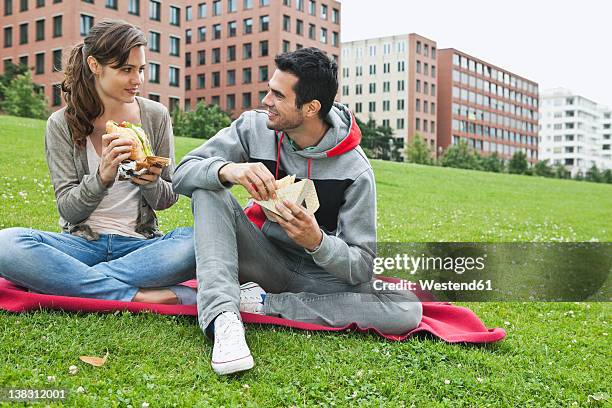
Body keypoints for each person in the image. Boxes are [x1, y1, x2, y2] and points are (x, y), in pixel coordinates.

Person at [173, 47, 422, 375]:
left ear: (311, 108)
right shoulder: (253, 127)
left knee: (406, 307)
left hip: (320, 279)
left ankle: (263, 305)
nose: (265, 101)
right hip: (262, 259)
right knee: (208, 187)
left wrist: (317, 241)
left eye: (278, 95)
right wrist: (228, 171)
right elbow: (182, 173)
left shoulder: (356, 171)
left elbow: (361, 266)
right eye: (268, 90)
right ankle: (224, 320)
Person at [0, 20, 196, 305]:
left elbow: (167, 199)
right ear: (94, 65)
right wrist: (102, 176)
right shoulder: (61, 123)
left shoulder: (156, 116)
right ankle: (136, 296)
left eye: (140, 69)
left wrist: (150, 181)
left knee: (197, 241)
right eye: (125, 70)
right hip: (81, 244)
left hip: (141, 247)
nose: (137, 80)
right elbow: (68, 208)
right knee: (6, 245)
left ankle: (69, 280)